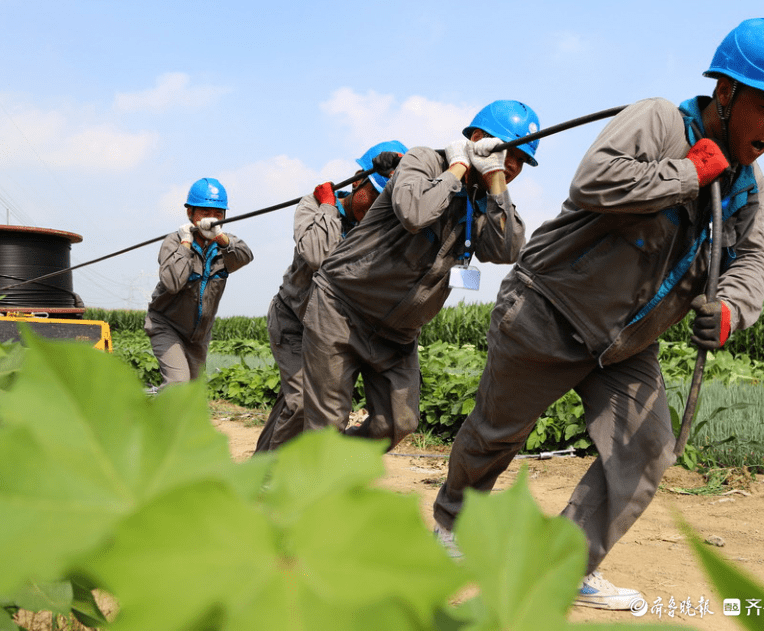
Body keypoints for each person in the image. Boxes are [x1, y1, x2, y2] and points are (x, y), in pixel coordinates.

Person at [432, 18, 764, 610]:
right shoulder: (659, 120)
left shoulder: (748, 185)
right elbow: (593, 182)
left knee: (646, 451)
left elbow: (751, 260)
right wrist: (689, 172)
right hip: (550, 311)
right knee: (496, 433)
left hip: (627, 345)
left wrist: (734, 310)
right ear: (726, 93)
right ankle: (451, 526)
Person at [300, 100, 539, 450]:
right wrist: (457, 168)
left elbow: (505, 251)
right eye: (509, 153)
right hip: (342, 310)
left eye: (521, 160)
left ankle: (331, 471)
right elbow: (415, 213)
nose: (514, 165)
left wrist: (497, 183)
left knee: (399, 422)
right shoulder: (423, 160)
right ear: (477, 138)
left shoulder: (487, 197)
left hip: (398, 333)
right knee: (326, 426)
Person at [256, 141, 409, 453]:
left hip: (331, 329)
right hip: (294, 322)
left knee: (296, 404)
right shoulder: (313, 204)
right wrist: (327, 207)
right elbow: (315, 253)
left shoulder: (381, 226)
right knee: (301, 404)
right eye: (376, 195)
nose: (378, 206)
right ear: (356, 182)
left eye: (387, 201)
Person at [144, 177, 253, 387]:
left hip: (198, 335)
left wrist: (220, 238)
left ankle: (155, 408)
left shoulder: (225, 244)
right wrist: (186, 243)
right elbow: (173, 282)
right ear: (190, 213)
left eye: (218, 214)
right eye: (205, 212)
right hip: (167, 326)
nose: (211, 219)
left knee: (191, 396)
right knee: (178, 385)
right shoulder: (174, 242)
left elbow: (245, 256)